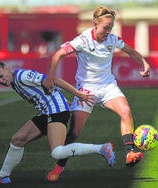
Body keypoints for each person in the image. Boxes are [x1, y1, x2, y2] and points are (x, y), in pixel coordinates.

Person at [42, 5, 151, 182]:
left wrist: (143, 63)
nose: (108, 31)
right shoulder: (83, 40)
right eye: (105, 27)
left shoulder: (112, 39)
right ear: (95, 24)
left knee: (125, 111)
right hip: (86, 89)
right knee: (75, 132)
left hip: (108, 86)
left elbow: (130, 51)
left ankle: (129, 153)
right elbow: (57, 55)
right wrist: (50, 77)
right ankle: (59, 166)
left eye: (110, 27)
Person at [0, 55, 115, 184]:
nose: (1, 80)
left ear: (6, 68)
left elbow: (53, 80)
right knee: (17, 140)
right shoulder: (14, 82)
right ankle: (3, 176)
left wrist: (78, 94)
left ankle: (102, 148)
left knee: (57, 152)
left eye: (1, 76)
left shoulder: (22, 76)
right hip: (48, 112)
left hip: (56, 111)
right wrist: (64, 100)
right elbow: (46, 88)